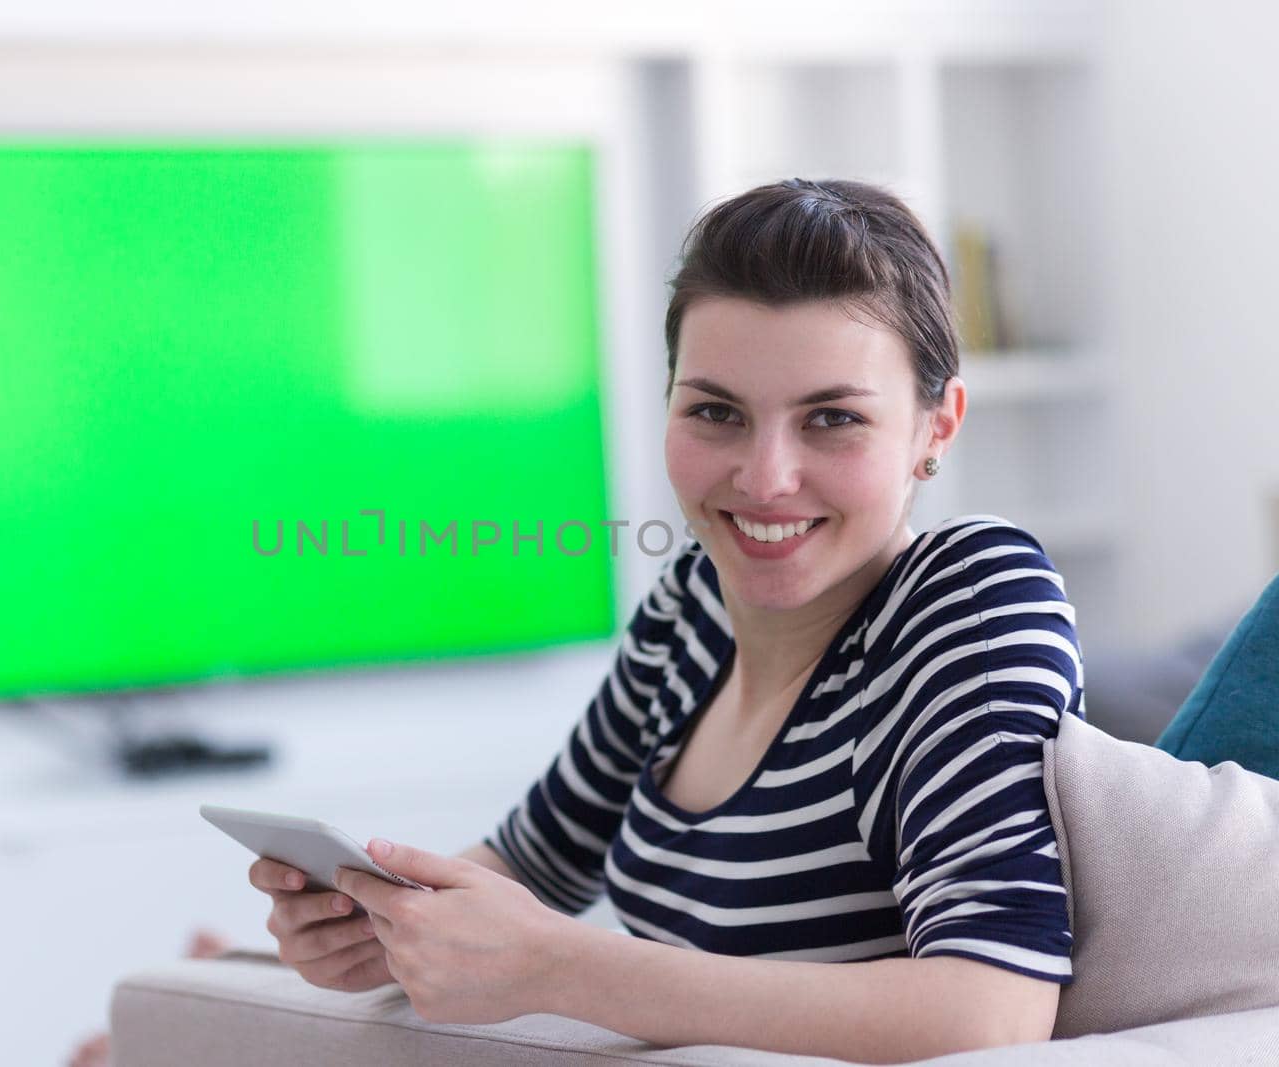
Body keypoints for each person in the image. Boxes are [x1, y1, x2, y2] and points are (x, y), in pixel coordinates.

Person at [250, 177, 1084, 1062]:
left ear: (936, 427)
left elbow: (993, 1010)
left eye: (833, 418)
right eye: (715, 411)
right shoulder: (694, 601)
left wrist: (561, 969)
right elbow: (535, 861)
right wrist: (379, 925)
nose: (765, 480)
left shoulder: (971, 597)